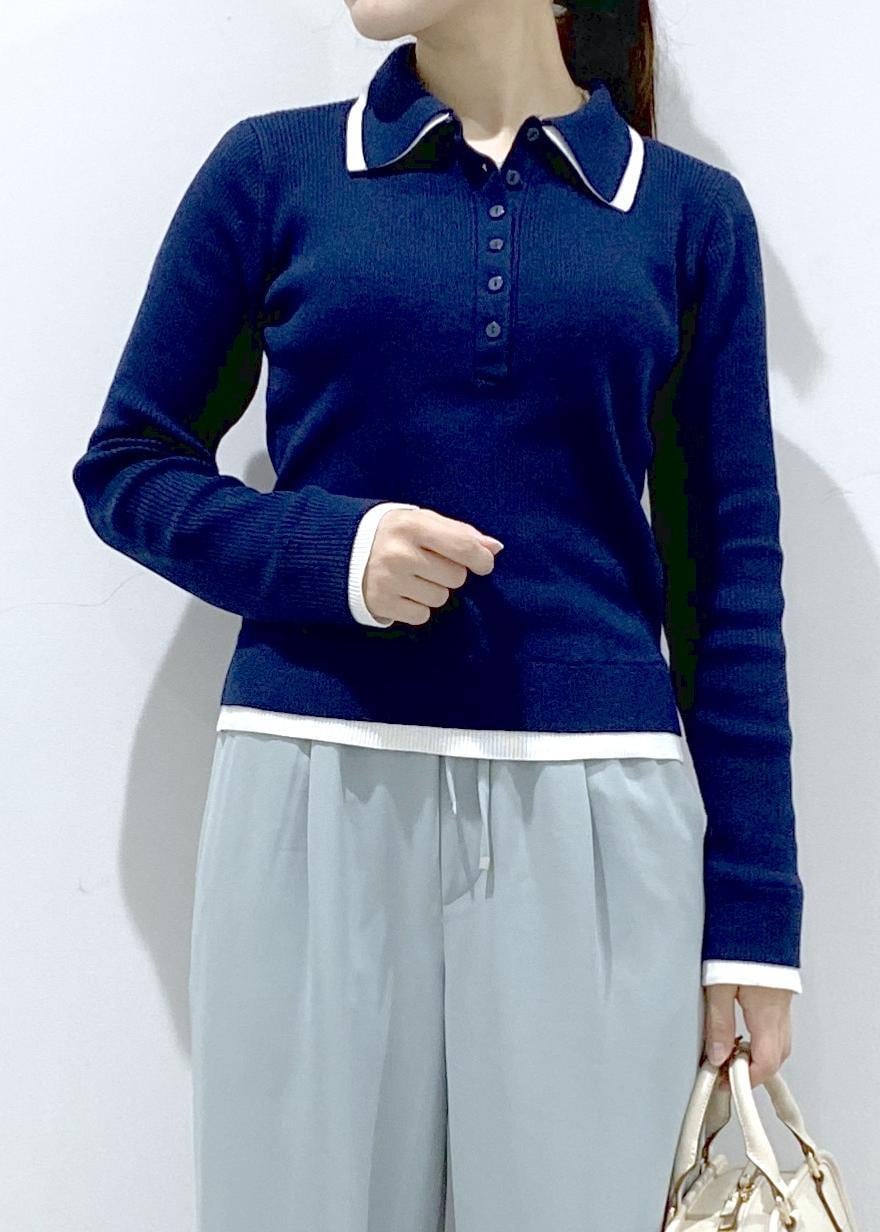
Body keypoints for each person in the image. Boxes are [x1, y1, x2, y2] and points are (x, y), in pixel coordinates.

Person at [71, 1, 804, 1228]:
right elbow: (128, 463)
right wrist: (333, 553)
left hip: (598, 815)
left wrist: (755, 922)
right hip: (312, 785)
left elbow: (729, 585)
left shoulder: (686, 216)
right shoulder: (274, 171)